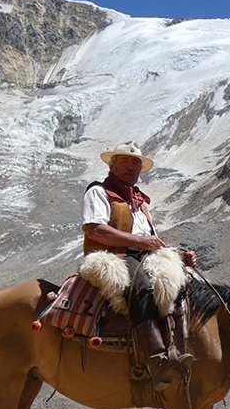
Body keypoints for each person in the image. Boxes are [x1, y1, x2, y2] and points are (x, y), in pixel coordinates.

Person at [81, 141, 196, 390]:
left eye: (136, 163)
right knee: (140, 286)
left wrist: (177, 256)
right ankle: (156, 361)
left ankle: (179, 351)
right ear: (112, 165)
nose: (131, 167)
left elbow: (151, 239)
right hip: (114, 255)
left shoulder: (140, 202)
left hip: (143, 253)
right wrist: (141, 241)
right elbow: (95, 229)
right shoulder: (99, 192)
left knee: (179, 282)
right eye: (125, 161)